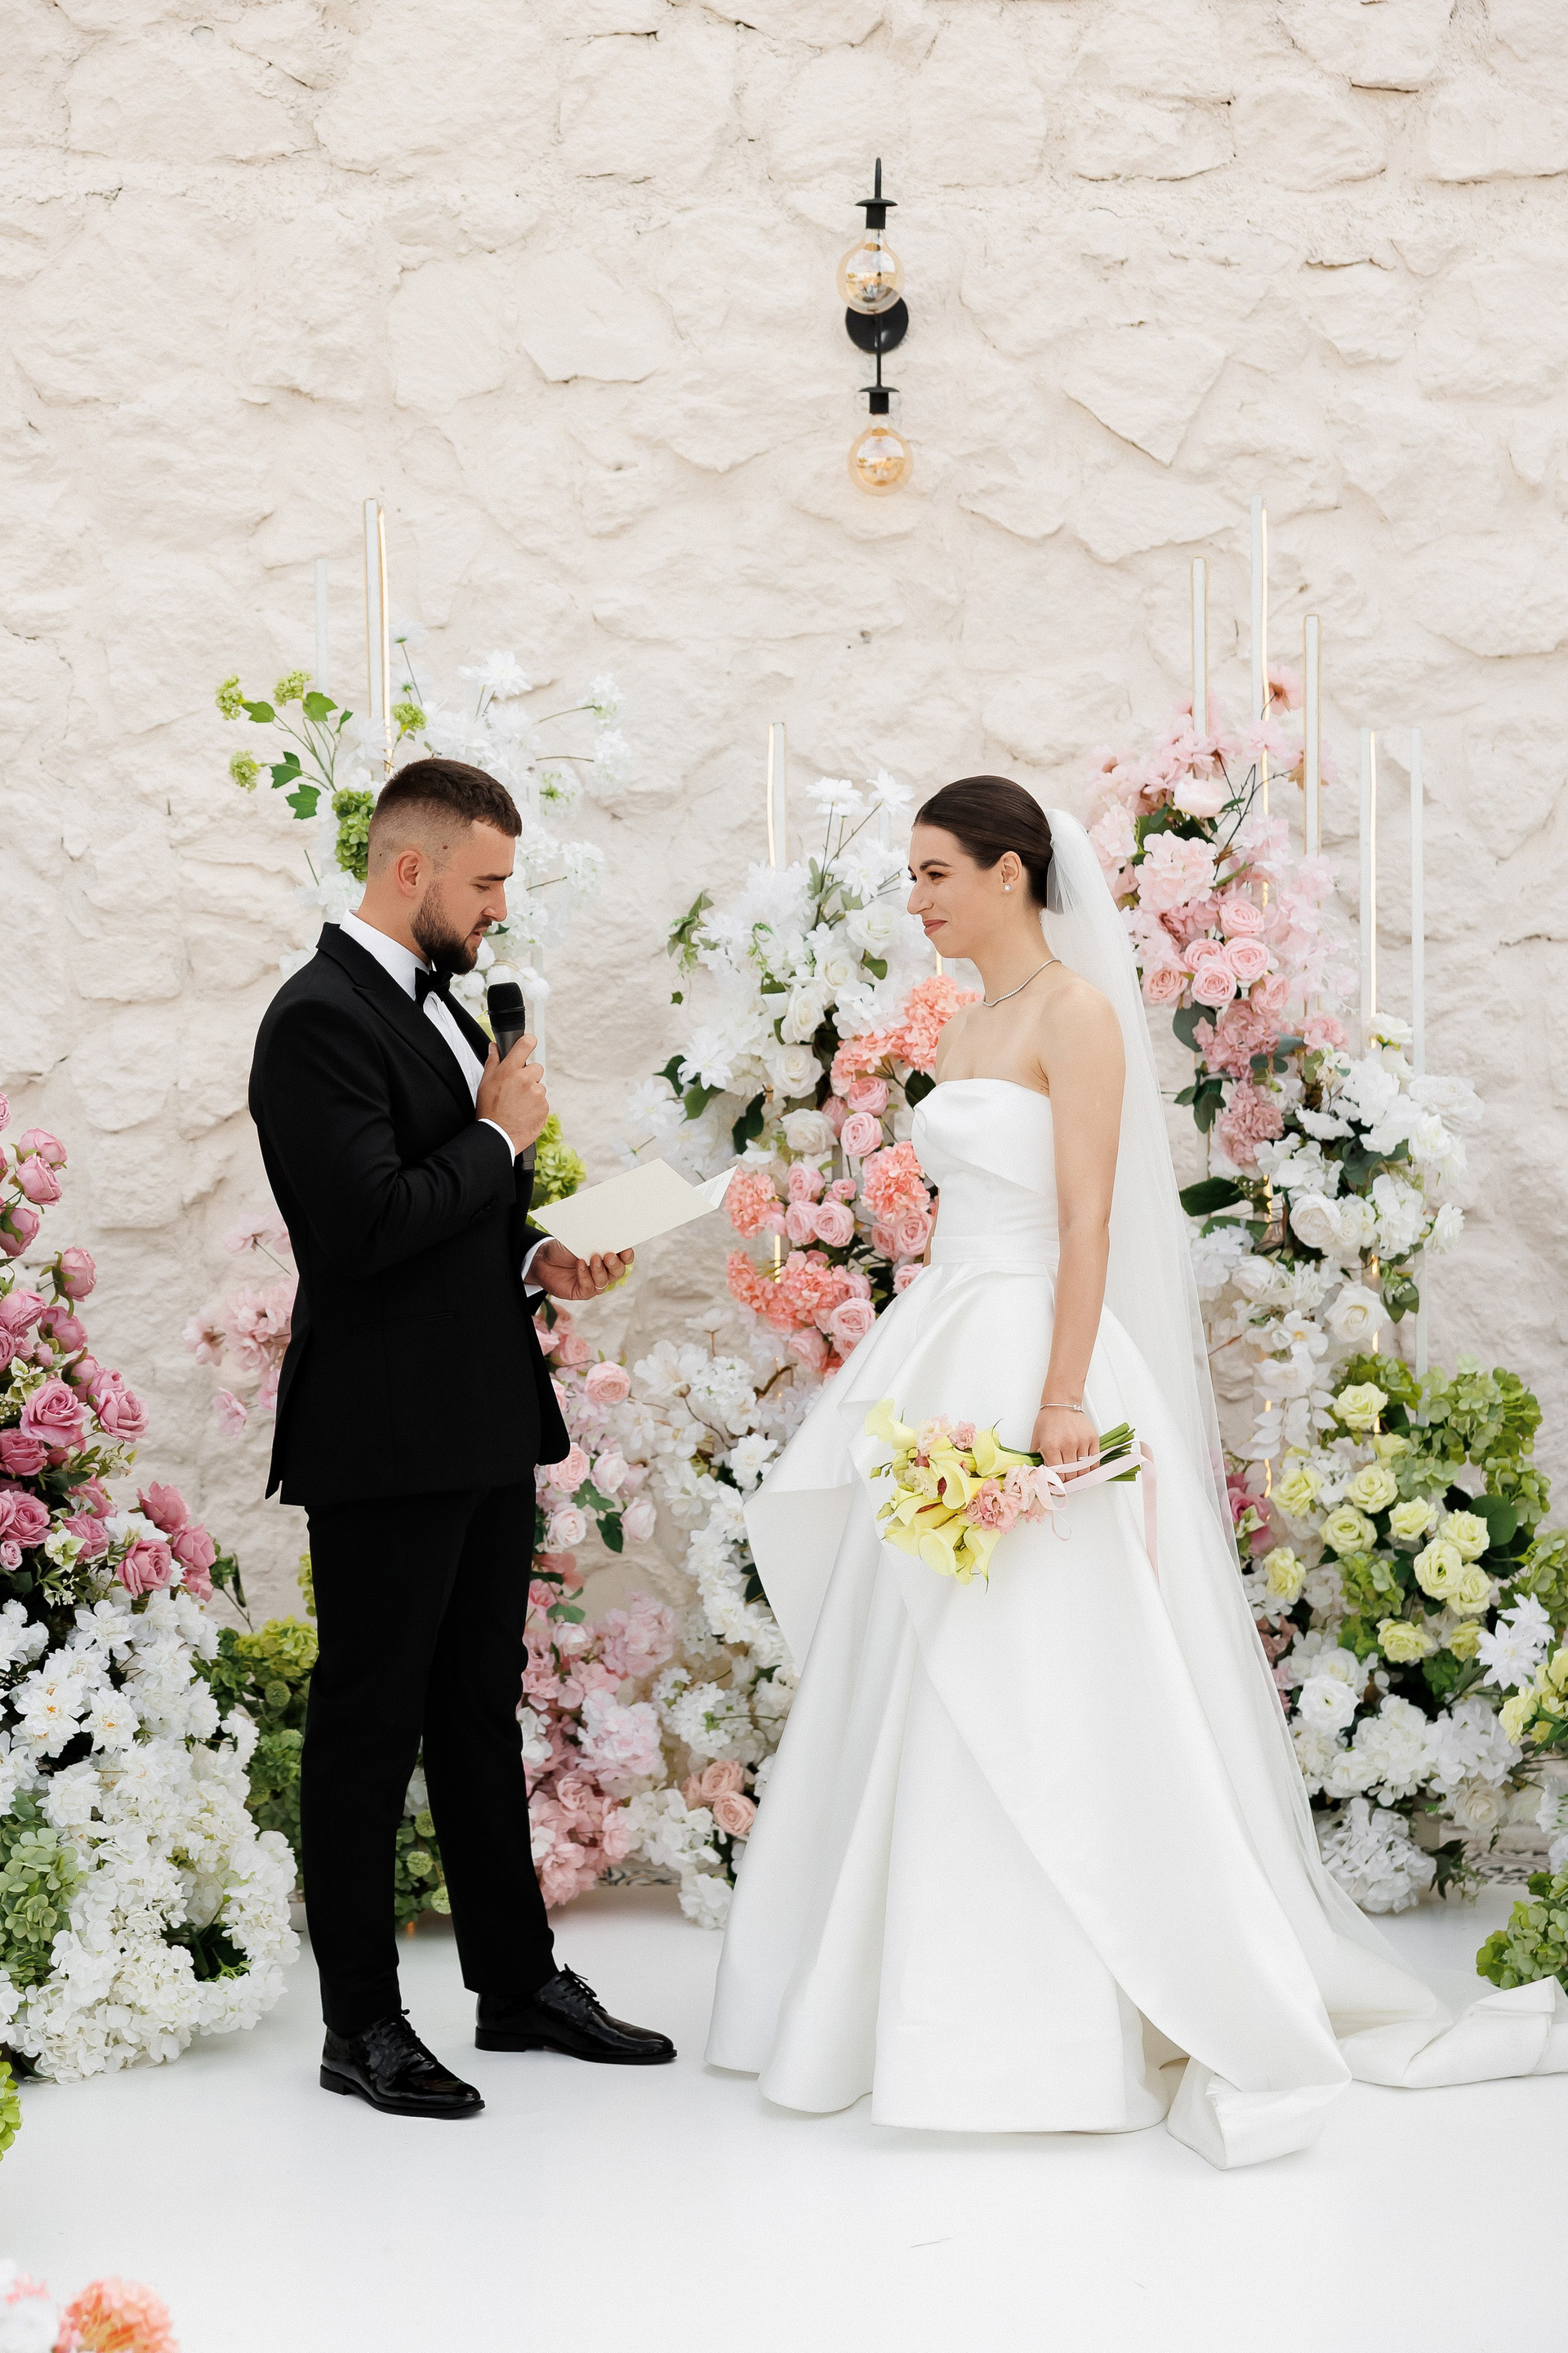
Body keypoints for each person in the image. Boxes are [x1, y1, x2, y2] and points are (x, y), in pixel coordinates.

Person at [706, 776, 1567, 2168]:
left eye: (935, 873)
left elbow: (1090, 1218)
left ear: (1010, 871)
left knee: (1044, 1651)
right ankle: (890, 1993)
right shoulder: (967, 1021)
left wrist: (1060, 1398)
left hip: (1038, 1346)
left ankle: (1064, 2002)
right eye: (911, 875)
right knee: (914, 1645)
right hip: (951, 1333)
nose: (916, 899)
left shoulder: (1077, 1014)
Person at [250, 755, 674, 2119]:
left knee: (480, 1708)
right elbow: (364, 1227)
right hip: (382, 1431)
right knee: (368, 1724)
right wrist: (497, 1142)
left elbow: (455, 1221)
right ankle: (360, 2024)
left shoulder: (445, 1005)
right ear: (410, 868)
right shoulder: (314, 1018)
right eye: (486, 881)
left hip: (482, 1411)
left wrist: (543, 1252)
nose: (500, 907)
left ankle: (515, 1981)